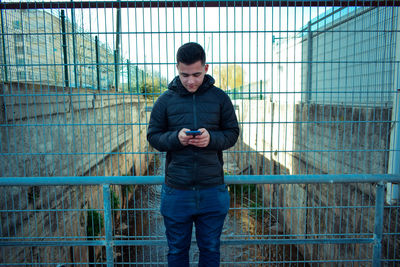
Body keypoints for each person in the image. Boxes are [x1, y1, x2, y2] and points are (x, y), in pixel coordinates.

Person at [147, 42, 239, 267]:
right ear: (177, 69)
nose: (190, 81)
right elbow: (153, 137)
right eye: (184, 74)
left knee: (210, 249)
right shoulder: (165, 101)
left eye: (196, 74)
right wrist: (175, 139)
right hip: (177, 191)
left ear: (206, 68)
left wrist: (212, 139)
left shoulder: (220, 98)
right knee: (177, 251)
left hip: (212, 190)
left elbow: (232, 133)